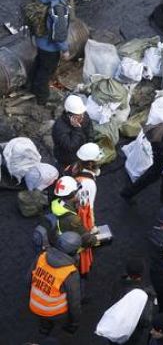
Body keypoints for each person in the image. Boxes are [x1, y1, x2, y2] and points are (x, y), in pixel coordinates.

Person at [27, 0, 77, 105]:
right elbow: (59, 34)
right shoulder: (59, 8)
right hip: (50, 47)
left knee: (38, 63)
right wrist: (65, 50)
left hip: (39, 39)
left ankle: (30, 85)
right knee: (46, 70)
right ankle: (42, 97)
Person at [29, 231, 82, 336]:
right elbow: (74, 302)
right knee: (64, 314)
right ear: (74, 251)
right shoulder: (69, 272)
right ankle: (66, 327)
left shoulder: (42, 257)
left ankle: (44, 329)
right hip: (55, 312)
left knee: (44, 317)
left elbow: (28, 280)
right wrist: (75, 322)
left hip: (34, 305)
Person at [68, 142, 102, 277]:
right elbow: (88, 209)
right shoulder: (88, 184)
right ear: (90, 163)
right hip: (78, 218)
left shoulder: (74, 167)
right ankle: (82, 268)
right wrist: (92, 227)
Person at [114, 258, 158, 345]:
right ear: (142, 273)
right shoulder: (145, 294)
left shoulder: (118, 285)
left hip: (115, 328)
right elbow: (145, 320)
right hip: (131, 333)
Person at [50, 176, 97, 248]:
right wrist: (94, 238)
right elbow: (86, 239)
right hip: (67, 243)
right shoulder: (74, 219)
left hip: (59, 233)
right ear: (73, 193)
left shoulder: (55, 203)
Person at [52, 95, 93, 169]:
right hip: (65, 159)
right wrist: (77, 128)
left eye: (82, 113)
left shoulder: (84, 116)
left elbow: (90, 133)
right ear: (69, 115)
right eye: (78, 115)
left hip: (81, 155)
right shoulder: (59, 127)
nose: (82, 117)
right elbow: (70, 146)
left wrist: (87, 148)